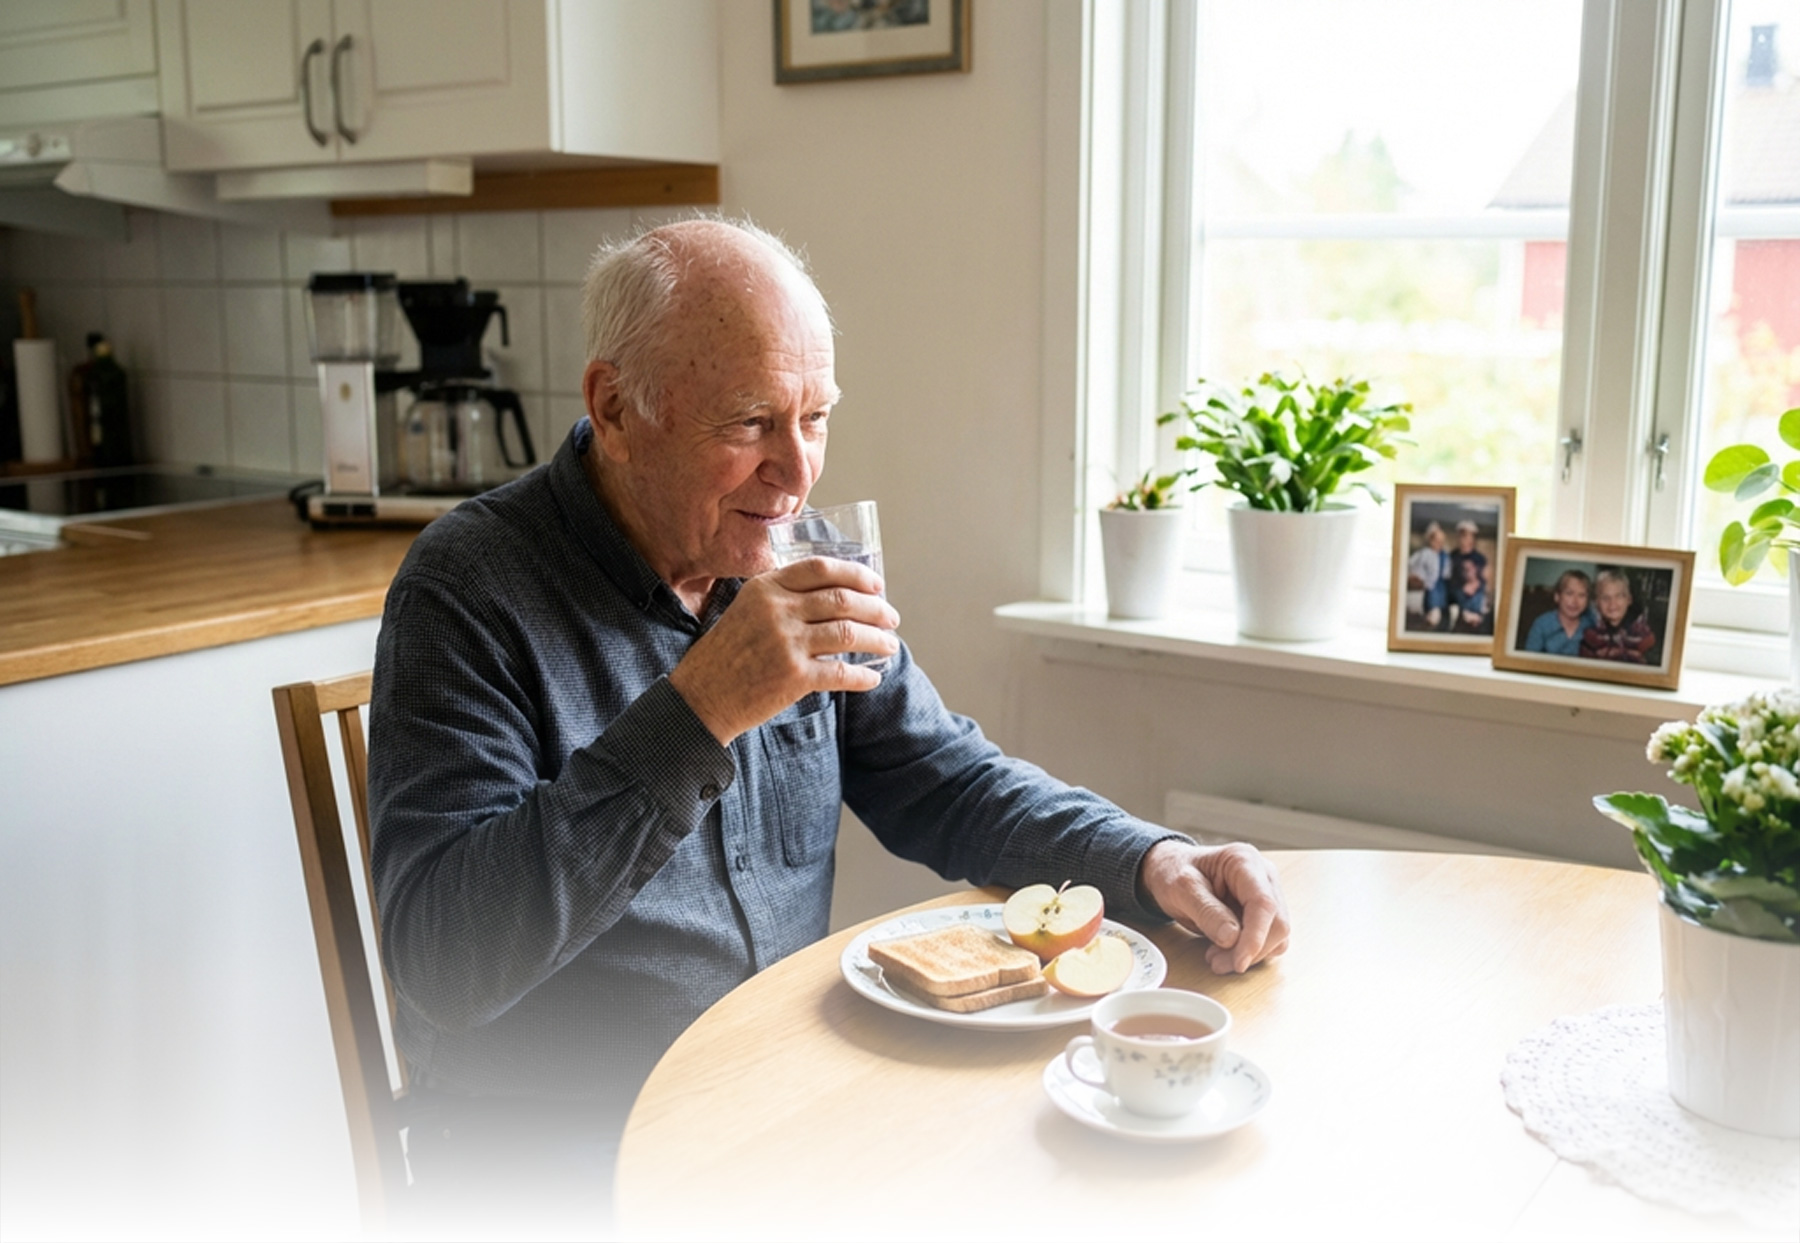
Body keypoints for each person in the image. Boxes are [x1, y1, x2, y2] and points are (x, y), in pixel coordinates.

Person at [366, 218, 1289, 1229]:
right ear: (616, 406)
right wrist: (703, 707)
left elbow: (950, 781)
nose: (796, 473)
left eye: (816, 418)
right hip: (562, 1156)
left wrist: (1149, 858)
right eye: (752, 423)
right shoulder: (468, 587)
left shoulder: (794, 551)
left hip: (781, 1107)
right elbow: (442, 958)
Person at [1578, 568, 1657, 663]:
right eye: (1605, 598)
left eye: (1619, 596)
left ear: (1629, 599)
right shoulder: (1590, 632)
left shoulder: (1641, 631)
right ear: (1596, 603)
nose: (1612, 603)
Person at [1523, 568, 1595, 655]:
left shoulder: (1591, 625)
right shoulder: (1541, 624)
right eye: (1569, 593)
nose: (1575, 601)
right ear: (1557, 596)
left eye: (1581, 595)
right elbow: (1528, 660)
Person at [1407, 522, 1450, 630]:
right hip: (1426, 587)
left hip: (1440, 588)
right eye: (1436, 541)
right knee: (1431, 611)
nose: (1439, 544)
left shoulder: (1444, 555)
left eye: (1441, 541)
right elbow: (1413, 568)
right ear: (1430, 540)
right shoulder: (1424, 554)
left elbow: (1447, 573)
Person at [1447, 519, 1488, 629]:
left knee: (1478, 592)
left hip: (1474, 589)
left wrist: (1475, 584)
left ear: (1473, 538)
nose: (1464, 539)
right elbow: (1449, 577)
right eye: (1462, 536)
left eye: (1468, 536)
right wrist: (1463, 586)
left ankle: (1474, 613)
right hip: (1457, 588)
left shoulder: (1479, 558)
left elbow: (1483, 578)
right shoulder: (1452, 556)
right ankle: (1466, 612)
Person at [1451, 555, 1489, 633]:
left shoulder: (1484, 587)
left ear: (1476, 568)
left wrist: (1479, 618)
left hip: (1481, 628)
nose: (1467, 572)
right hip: (1463, 628)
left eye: (1470, 568)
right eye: (1464, 569)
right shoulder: (1458, 591)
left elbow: (1487, 611)